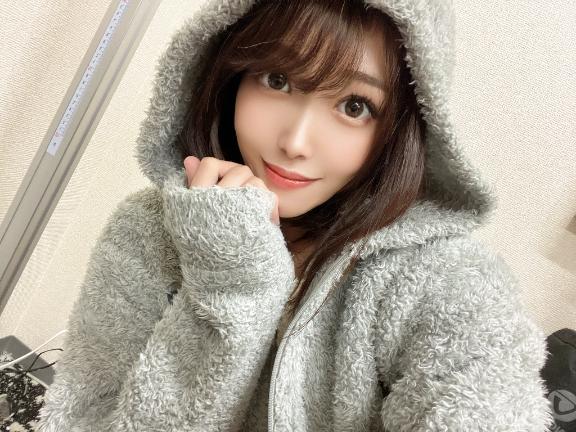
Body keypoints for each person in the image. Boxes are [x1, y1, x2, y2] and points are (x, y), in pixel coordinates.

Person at [36, 0, 555, 431]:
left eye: (354, 106)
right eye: (278, 78)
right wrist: (231, 281)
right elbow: (81, 418)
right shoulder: (148, 229)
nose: (295, 142)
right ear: (229, 73)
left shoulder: (444, 282)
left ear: (400, 129)